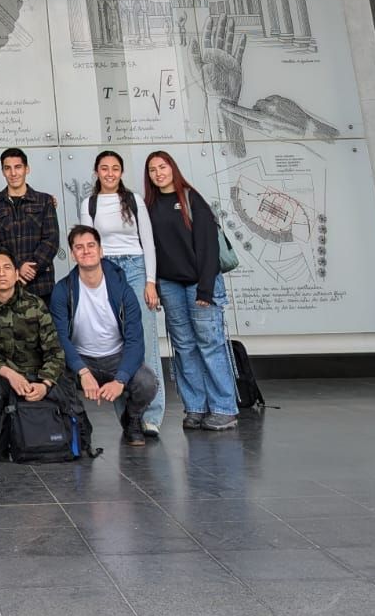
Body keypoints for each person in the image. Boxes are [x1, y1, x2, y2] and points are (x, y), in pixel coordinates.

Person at [143, 150, 239, 431]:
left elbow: (208, 247)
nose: (158, 173)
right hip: (170, 285)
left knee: (210, 346)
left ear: (173, 168)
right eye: (152, 169)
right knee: (183, 347)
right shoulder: (149, 206)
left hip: (200, 283)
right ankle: (195, 407)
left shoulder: (190, 199)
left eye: (163, 167)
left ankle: (224, 408)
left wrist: (206, 290)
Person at [80, 150, 164, 437]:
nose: (110, 173)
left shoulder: (134, 201)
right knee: (116, 343)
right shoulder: (89, 204)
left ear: (121, 172)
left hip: (137, 266)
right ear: (97, 172)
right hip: (106, 270)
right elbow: (89, 247)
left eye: (115, 168)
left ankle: (151, 416)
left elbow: (148, 243)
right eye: (104, 168)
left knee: (146, 341)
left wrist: (150, 281)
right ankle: (129, 417)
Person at [51, 225, 160, 446]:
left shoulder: (123, 290)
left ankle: (133, 419)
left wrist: (120, 379)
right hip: (81, 360)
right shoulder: (63, 290)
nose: (86, 251)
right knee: (54, 380)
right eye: (79, 247)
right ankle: (80, 423)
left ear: (101, 251)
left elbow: (135, 341)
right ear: (73, 255)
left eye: (91, 245)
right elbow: (60, 337)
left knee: (148, 382)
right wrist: (82, 371)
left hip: (115, 357)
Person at [0, 248, 68, 450]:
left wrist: (44, 384)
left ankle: (50, 434)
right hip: (1, 377)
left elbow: (55, 352)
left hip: (35, 376)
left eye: (7, 268)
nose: (1, 273)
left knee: (64, 385)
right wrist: (9, 374)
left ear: (16, 274)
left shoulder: (35, 304)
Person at [0, 147, 61, 303]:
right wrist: (17, 269)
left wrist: (29, 270)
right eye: (7, 168)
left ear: (27, 169)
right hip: (4, 287)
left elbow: (51, 240)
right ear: (3, 171)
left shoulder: (44, 201)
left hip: (41, 285)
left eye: (18, 167)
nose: (13, 173)